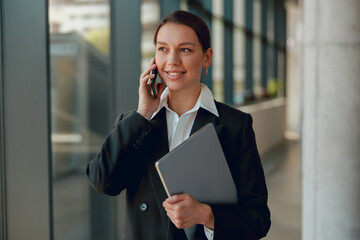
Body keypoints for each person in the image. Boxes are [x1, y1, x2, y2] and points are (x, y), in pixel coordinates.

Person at [87, 10, 270, 240]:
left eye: (185, 49)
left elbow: (258, 218)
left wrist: (207, 215)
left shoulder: (235, 125)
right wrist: (143, 113)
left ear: (207, 57)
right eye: (163, 49)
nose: (172, 61)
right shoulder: (137, 124)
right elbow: (102, 180)